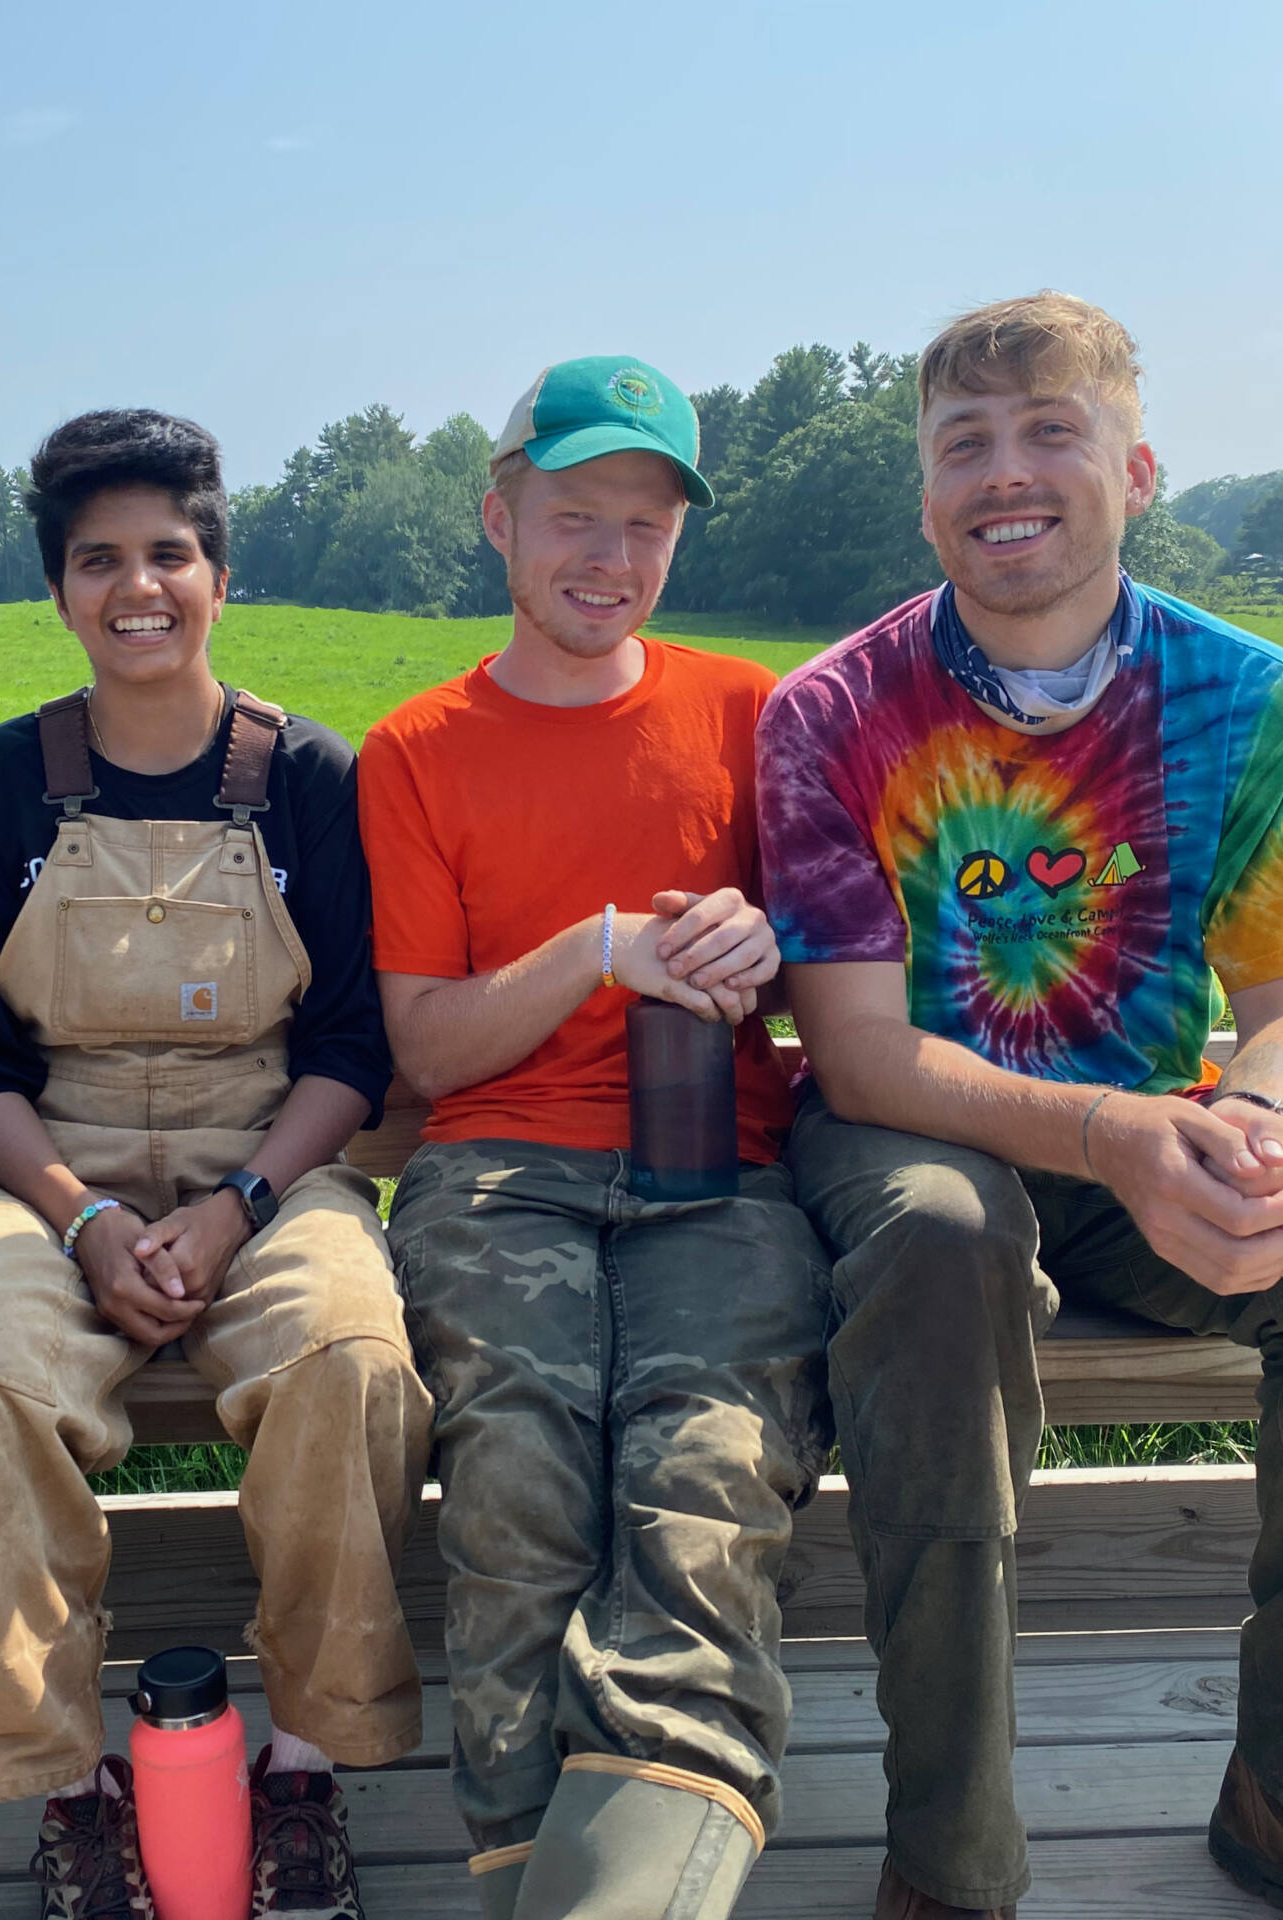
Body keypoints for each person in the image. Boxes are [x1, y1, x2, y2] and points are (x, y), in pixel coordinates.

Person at [757, 293, 1283, 1920]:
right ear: (927, 491)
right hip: (915, 1140)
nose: (1004, 474)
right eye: (964, 444)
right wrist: (1117, 1135)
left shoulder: (1250, 696)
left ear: (1134, 468)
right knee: (945, 1250)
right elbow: (858, 1055)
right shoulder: (833, 713)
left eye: (1048, 432)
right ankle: (954, 1866)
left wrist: (1261, 1141)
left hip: (1155, 1132)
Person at [0, 409, 429, 1919]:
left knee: (349, 1357)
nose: (140, 586)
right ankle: (65, 1791)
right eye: (99, 560)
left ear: (220, 570)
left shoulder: (304, 780)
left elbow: (345, 1048)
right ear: (59, 590)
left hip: (270, 1157)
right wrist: (77, 1225)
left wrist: (240, 1206)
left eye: (170, 553)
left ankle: (309, 1768)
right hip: (41, 1169)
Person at [360, 356, 831, 1920]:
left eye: (646, 524)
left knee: (709, 1473)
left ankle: (615, 1898)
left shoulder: (755, 715)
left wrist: (768, 952)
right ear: (501, 520)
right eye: (575, 515)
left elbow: (838, 970)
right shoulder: (419, 750)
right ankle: (532, 1875)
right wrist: (599, 949)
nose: (610, 558)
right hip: (499, 1174)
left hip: (725, 1167)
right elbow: (427, 1046)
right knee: (515, 1481)